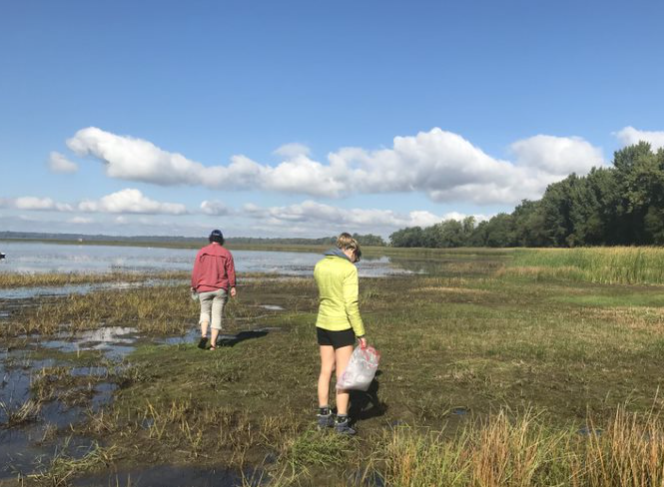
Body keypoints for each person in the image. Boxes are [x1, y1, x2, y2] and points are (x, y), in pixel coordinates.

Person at [314, 233, 367, 435]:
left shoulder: (320, 265)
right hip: (341, 326)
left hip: (322, 323)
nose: (356, 260)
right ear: (352, 251)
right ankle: (342, 422)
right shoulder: (349, 269)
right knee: (343, 375)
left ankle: (323, 416)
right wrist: (361, 333)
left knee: (326, 369)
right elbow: (351, 305)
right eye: (357, 256)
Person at [191, 229, 237, 351]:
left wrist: (194, 285)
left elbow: (196, 271)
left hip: (204, 288)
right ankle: (212, 345)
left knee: (204, 312)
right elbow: (231, 272)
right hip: (220, 289)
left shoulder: (202, 252)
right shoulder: (226, 253)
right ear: (221, 240)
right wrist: (233, 286)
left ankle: (204, 335)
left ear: (210, 239)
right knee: (217, 316)